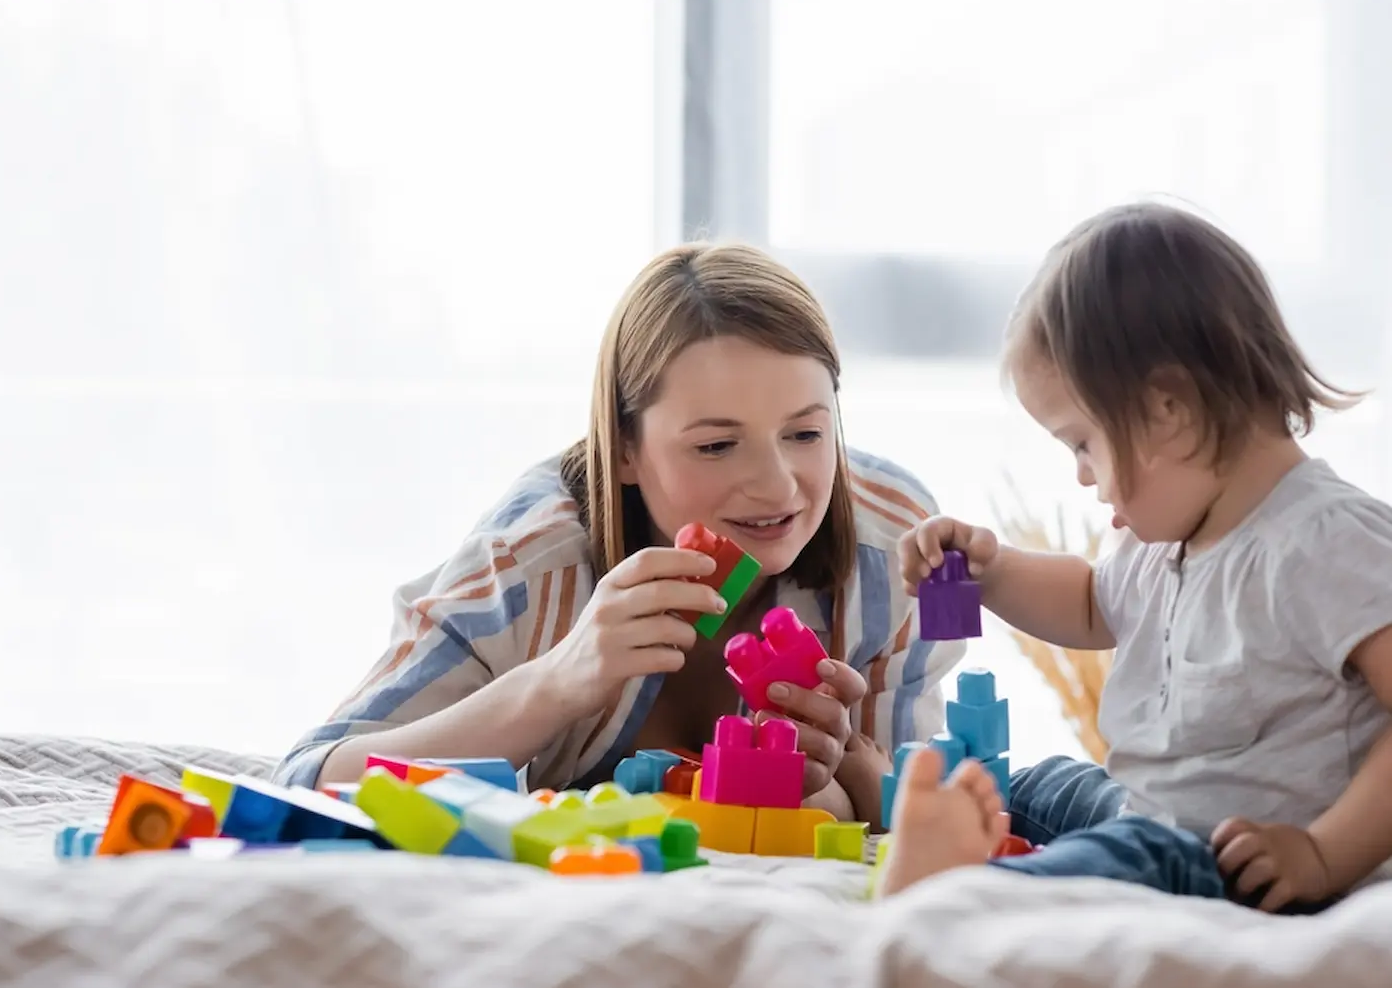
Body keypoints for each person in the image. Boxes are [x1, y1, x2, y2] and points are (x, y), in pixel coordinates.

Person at [274, 242, 965, 822]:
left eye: (806, 433)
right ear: (625, 447)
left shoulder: (901, 544)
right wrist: (557, 682)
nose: (779, 484)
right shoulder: (528, 561)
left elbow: (920, 806)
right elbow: (310, 779)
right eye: (718, 445)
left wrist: (830, 773)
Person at [878, 201, 1392, 912]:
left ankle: (964, 904)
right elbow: (1091, 602)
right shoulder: (1167, 541)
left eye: (1083, 443)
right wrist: (990, 574)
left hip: (1235, 868)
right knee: (1040, 785)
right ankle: (971, 858)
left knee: (1131, 852)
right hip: (1147, 816)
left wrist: (1325, 852)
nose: (1083, 475)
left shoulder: (1325, 539)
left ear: (1168, 411)